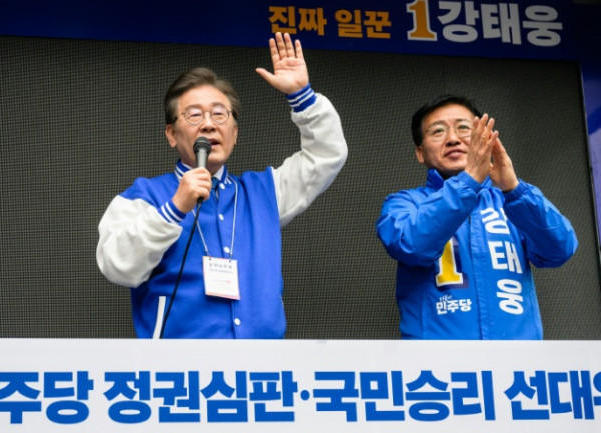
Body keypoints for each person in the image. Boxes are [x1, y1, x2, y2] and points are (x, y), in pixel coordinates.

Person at [97, 32, 348, 339]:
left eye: (219, 114)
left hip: (262, 370)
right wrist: (174, 209)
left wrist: (302, 97)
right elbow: (116, 266)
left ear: (235, 132)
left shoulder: (264, 192)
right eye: (194, 115)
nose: (208, 124)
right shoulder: (144, 197)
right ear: (171, 134)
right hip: (179, 373)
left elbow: (327, 154)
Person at [376, 94, 577, 340]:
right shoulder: (404, 204)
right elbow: (413, 245)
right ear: (420, 153)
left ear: (487, 139)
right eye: (438, 131)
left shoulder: (512, 200)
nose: (452, 139)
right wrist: (469, 182)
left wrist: (514, 188)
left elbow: (560, 249)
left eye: (464, 128)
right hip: (437, 366)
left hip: (518, 365)